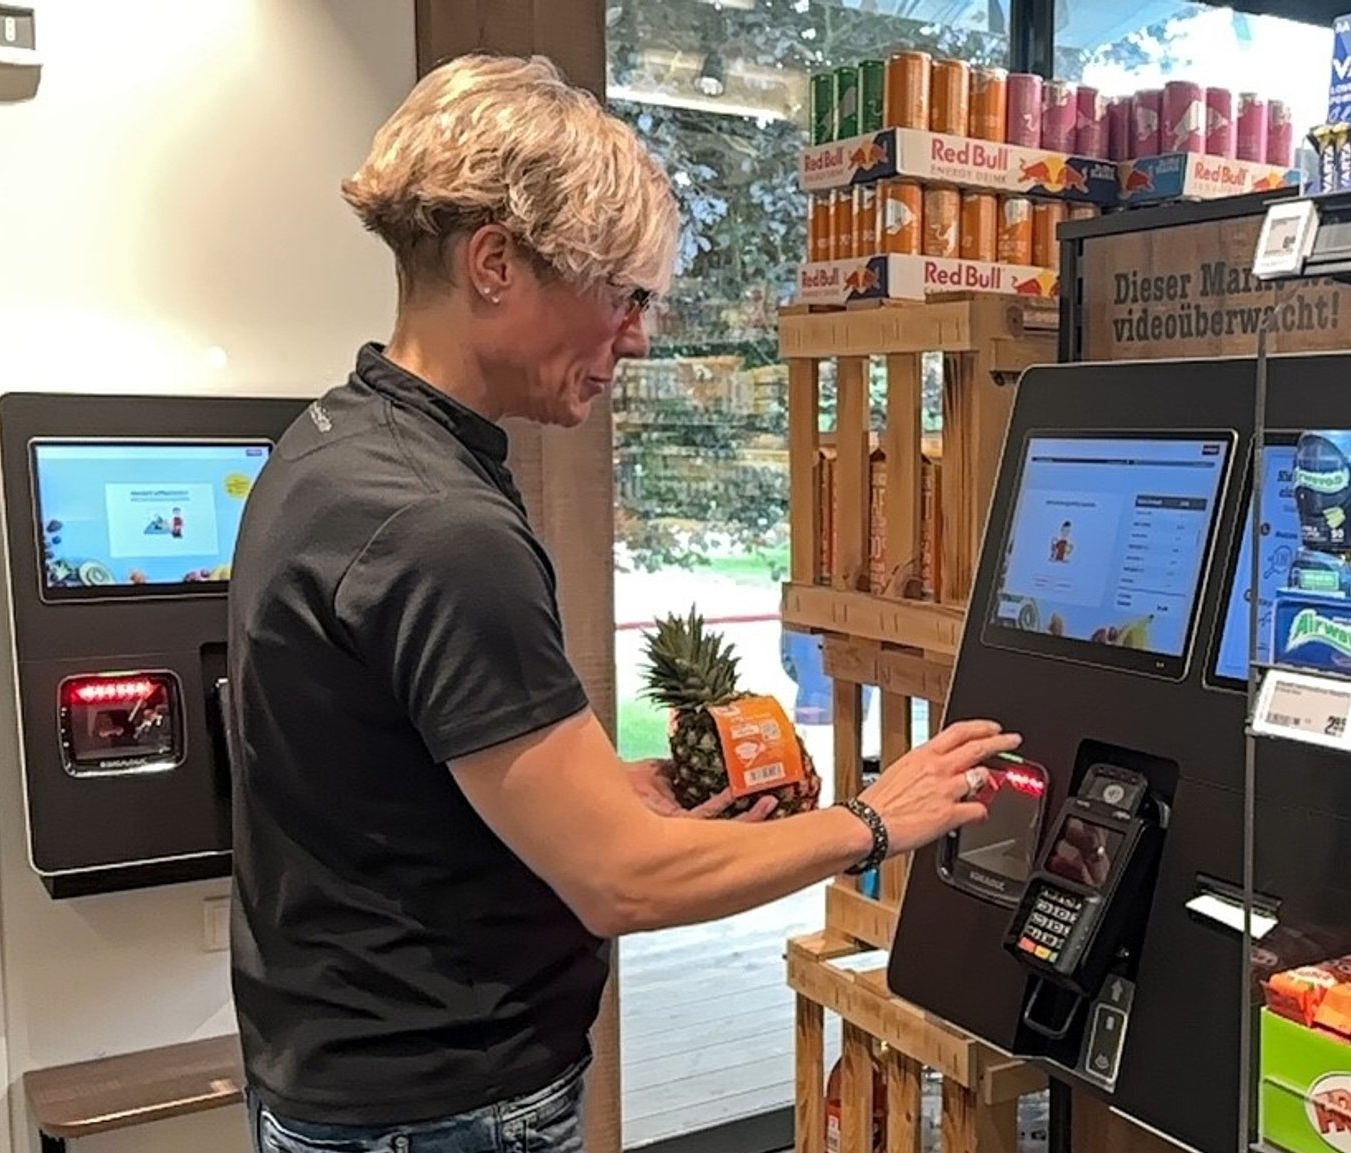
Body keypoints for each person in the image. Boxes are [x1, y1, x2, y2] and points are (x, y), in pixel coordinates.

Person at [224, 52, 1016, 1153]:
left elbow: (392, 779)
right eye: (622, 294)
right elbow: (621, 884)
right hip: (444, 1104)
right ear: (496, 263)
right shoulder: (438, 526)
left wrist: (601, 790)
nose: (638, 338)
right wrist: (877, 818)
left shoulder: (331, 446)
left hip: (332, 1071)